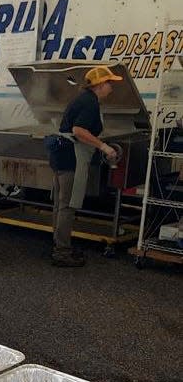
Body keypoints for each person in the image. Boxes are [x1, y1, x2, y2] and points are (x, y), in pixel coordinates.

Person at [45, 66, 122, 267]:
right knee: (68, 206)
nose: (111, 88)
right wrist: (104, 147)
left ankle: (59, 245)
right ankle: (62, 252)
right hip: (72, 158)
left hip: (61, 156)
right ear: (99, 85)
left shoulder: (83, 99)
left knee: (60, 205)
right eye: (109, 83)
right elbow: (79, 130)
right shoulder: (89, 103)